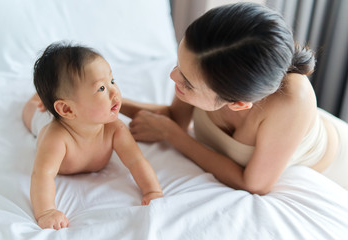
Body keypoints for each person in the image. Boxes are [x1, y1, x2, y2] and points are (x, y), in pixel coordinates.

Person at [120, 2, 348, 194]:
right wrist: (111, 103)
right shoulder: (208, 61)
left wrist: (173, 135)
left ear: (238, 104)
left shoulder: (292, 100)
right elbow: (174, 118)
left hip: (337, 171)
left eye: (187, 82)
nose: (172, 76)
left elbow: (253, 184)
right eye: (178, 64)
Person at [22, 42, 163, 230]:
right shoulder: (56, 138)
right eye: (101, 89)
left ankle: (45, 97)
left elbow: (136, 161)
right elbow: (42, 175)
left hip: (62, 109)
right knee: (32, 112)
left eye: (112, 81)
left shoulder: (115, 129)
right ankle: (38, 98)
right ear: (67, 109)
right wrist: (46, 211)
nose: (115, 92)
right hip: (44, 120)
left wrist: (152, 190)